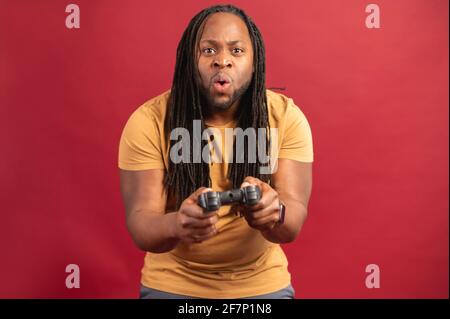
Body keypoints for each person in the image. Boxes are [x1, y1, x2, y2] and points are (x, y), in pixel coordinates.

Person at [118, 4, 313, 299]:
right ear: (188, 59)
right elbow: (140, 224)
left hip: (261, 284)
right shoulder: (149, 121)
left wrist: (275, 213)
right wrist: (177, 223)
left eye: (236, 51)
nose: (223, 61)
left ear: (254, 60)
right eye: (208, 50)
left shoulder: (285, 117)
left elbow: (292, 224)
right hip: (173, 284)